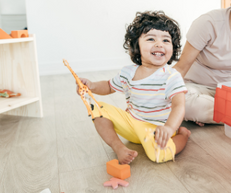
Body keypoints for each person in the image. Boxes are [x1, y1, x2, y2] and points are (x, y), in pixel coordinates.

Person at [79, 11, 191, 164]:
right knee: (96, 109)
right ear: (136, 45)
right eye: (151, 39)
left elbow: (179, 106)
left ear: (173, 47)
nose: (159, 44)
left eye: (166, 40)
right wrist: (91, 86)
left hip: (157, 131)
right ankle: (119, 147)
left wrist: (170, 128)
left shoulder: (172, 77)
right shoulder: (128, 72)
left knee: (158, 156)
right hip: (132, 125)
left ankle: (182, 136)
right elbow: (108, 86)